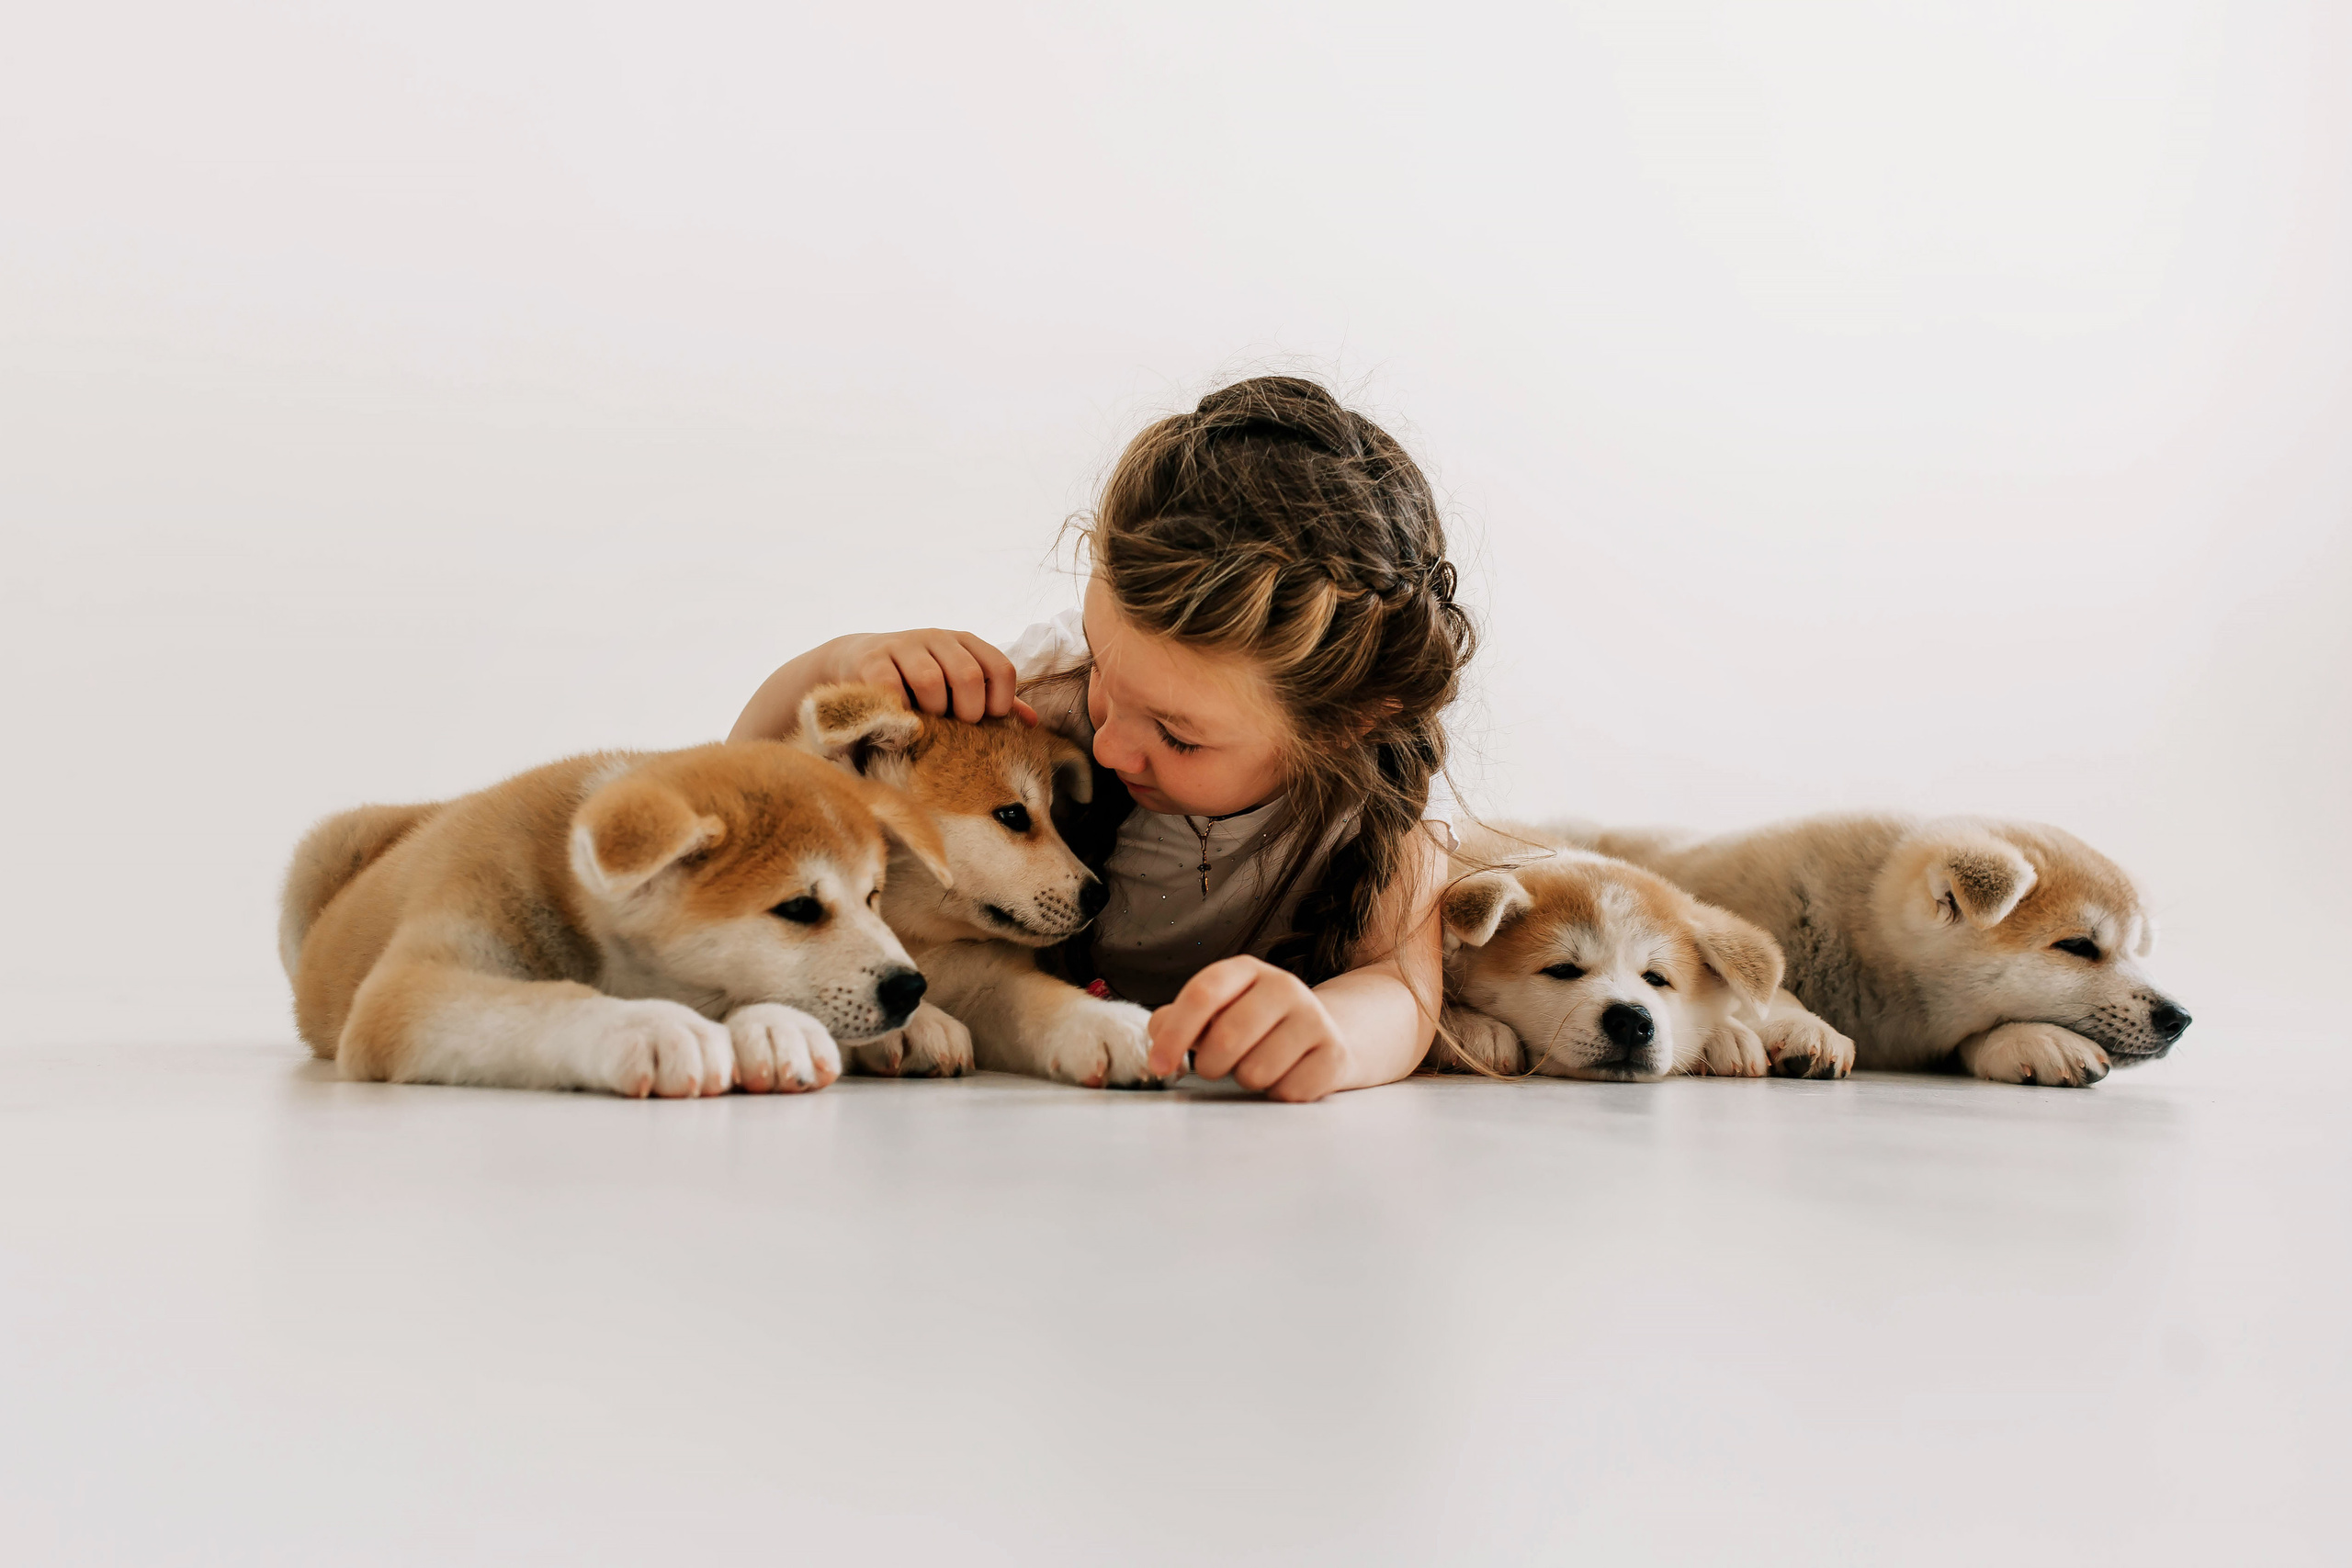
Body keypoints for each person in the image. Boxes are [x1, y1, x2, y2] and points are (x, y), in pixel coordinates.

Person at [731, 376, 1476, 1101]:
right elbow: (747, 785)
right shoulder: (1037, 701)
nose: (1112, 746)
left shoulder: (1376, 800)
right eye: (1104, 673)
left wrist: (1331, 1037)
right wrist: (837, 661)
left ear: (1343, 726)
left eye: (1178, 737)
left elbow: (1401, 990)